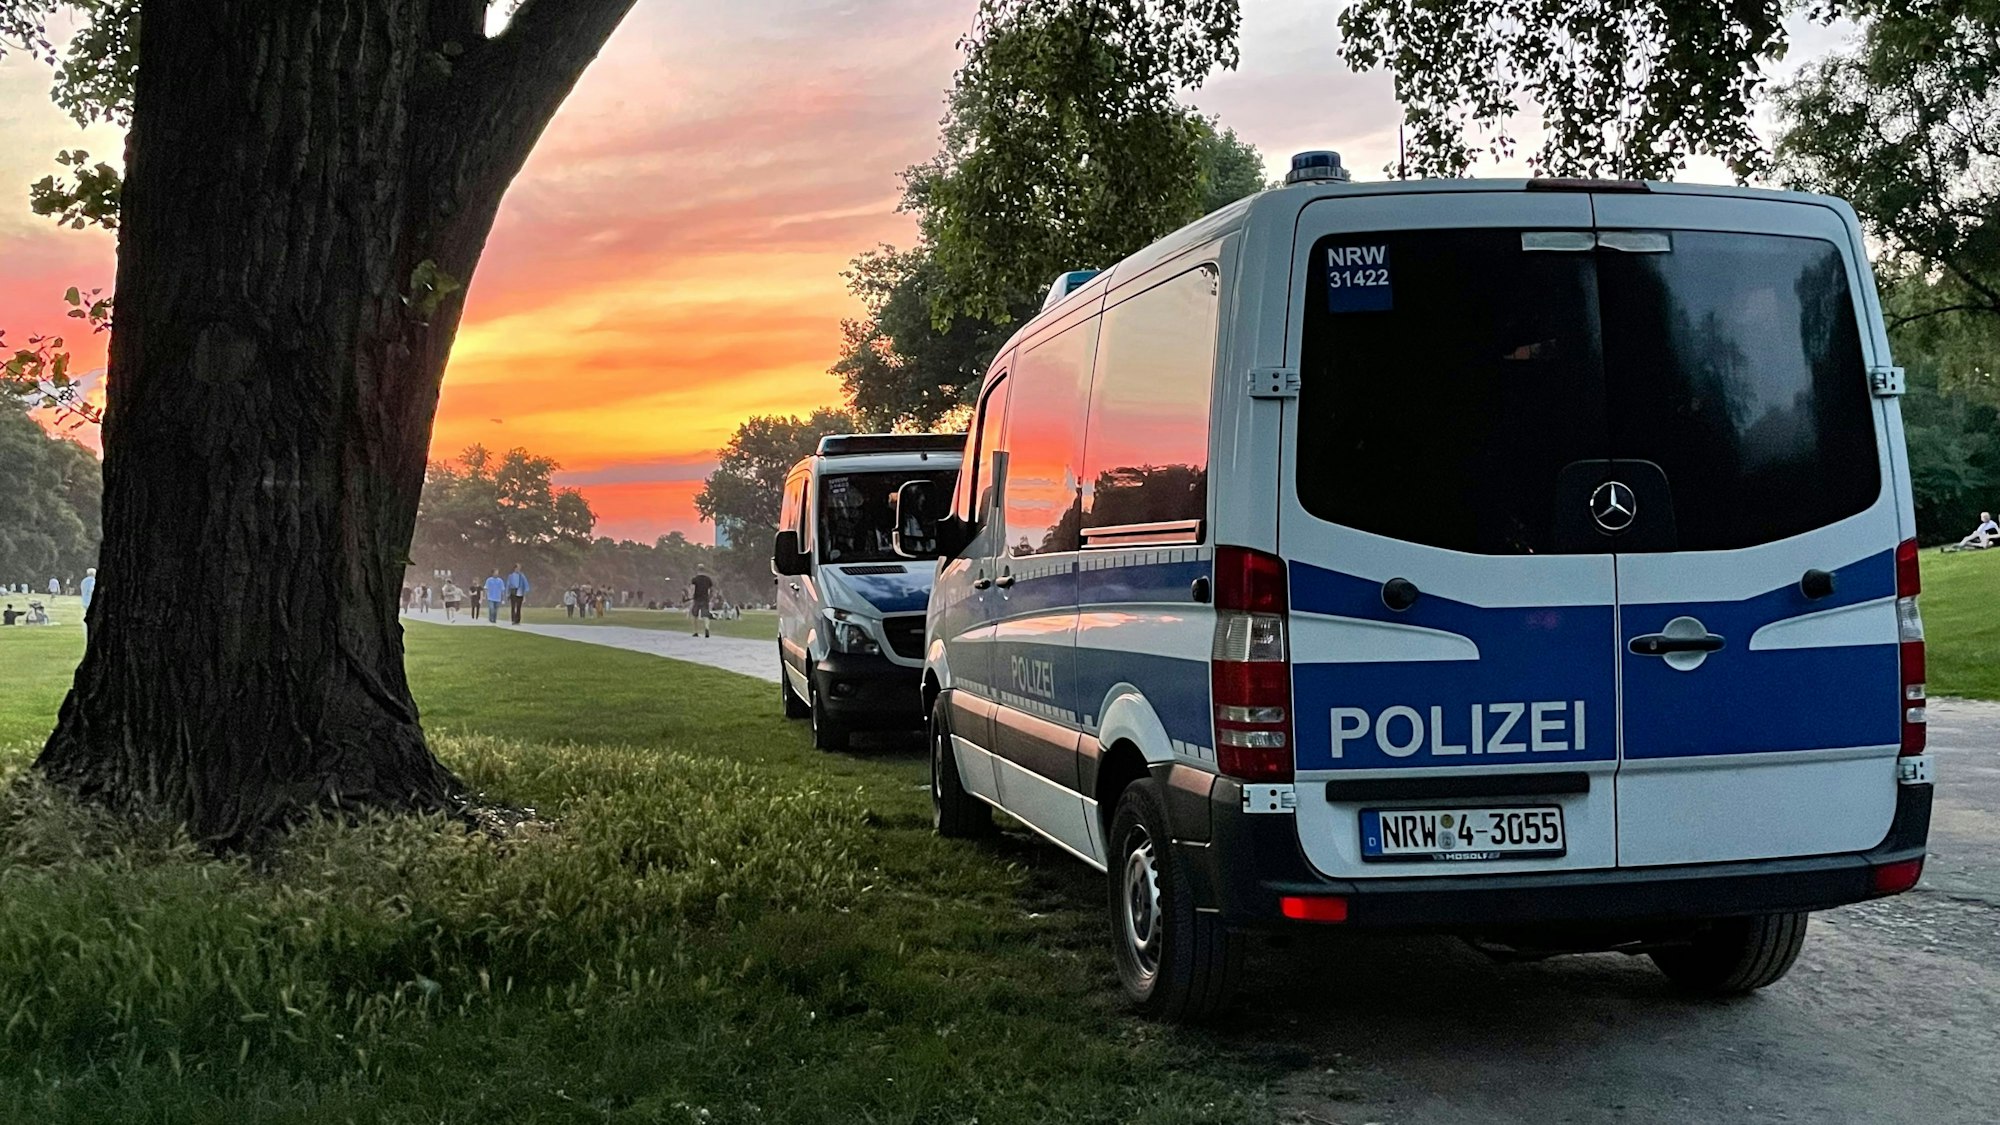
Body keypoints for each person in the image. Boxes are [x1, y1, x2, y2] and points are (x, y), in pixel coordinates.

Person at [689, 565, 714, 638]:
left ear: (697, 570)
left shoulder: (695, 579)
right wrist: (709, 597)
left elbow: (693, 589)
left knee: (694, 615)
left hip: (697, 599)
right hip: (705, 599)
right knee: (705, 615)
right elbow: (709, 590)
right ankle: (707, 628)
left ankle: (695, 631)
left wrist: (691, 596)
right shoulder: (708, 579)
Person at [78, 567, 95, 639]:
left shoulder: (84, 581)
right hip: (91, 601)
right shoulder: (93, 581)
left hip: (84, 601)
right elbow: (91, 590)